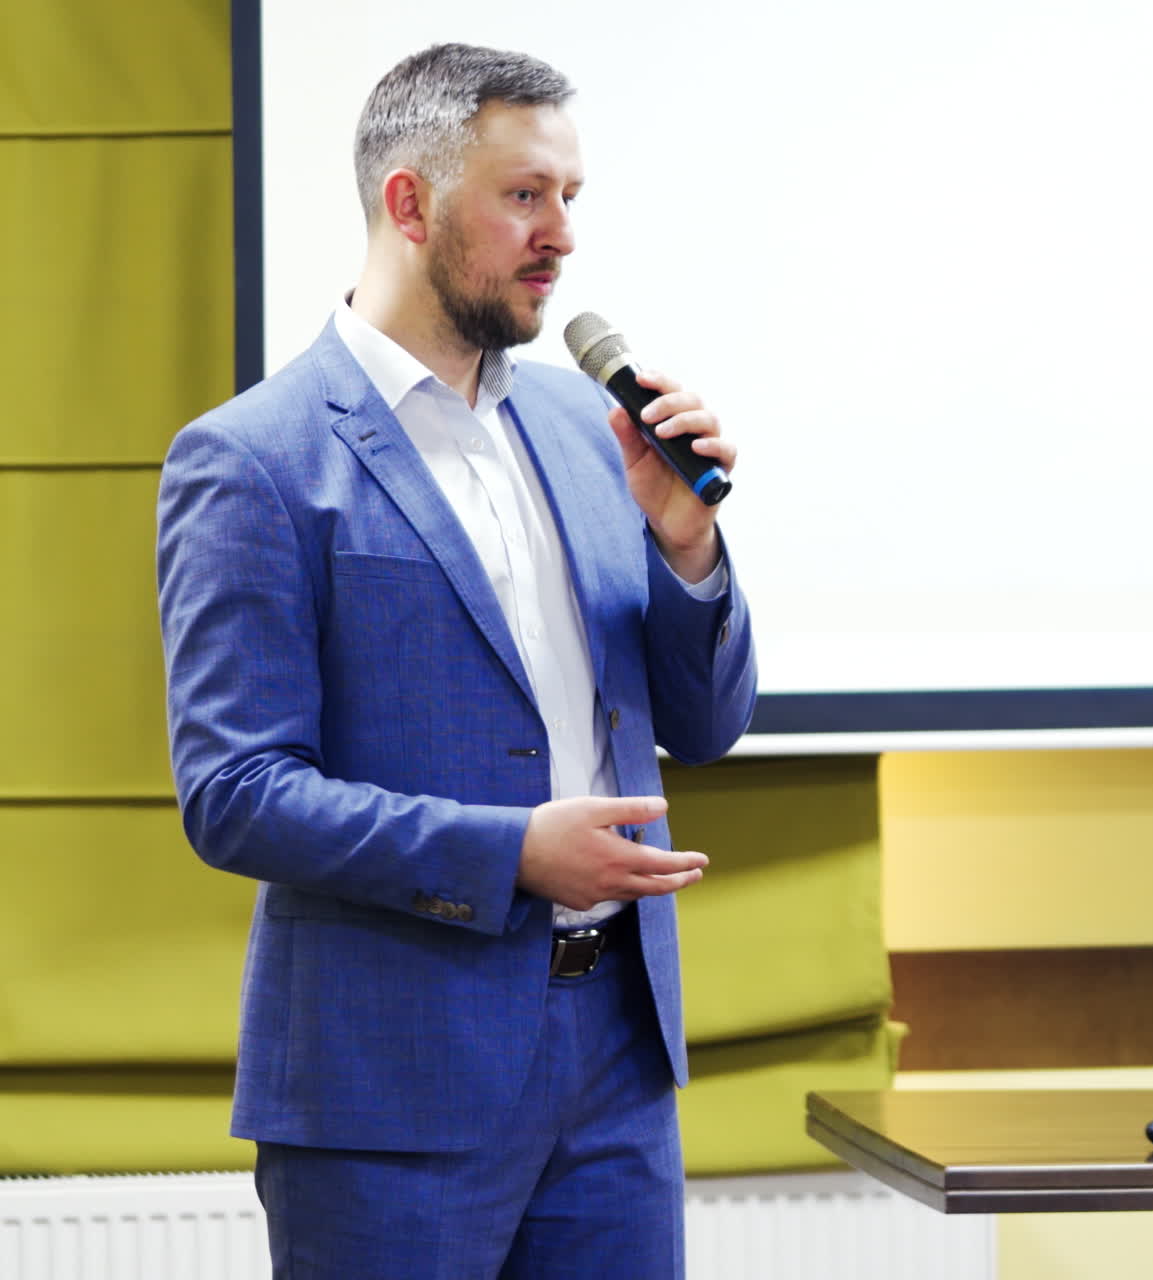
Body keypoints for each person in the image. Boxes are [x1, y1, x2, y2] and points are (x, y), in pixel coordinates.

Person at [157, 41, 756, 1279]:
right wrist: (510, 851)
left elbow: (701, 725)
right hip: (390, 1086)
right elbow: (235, 792)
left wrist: (687, 546)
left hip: (615, 1068)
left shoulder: (588, 432)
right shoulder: (253, 459)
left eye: (569, 199)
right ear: (410, 202)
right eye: (523, 196)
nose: (560, 238)